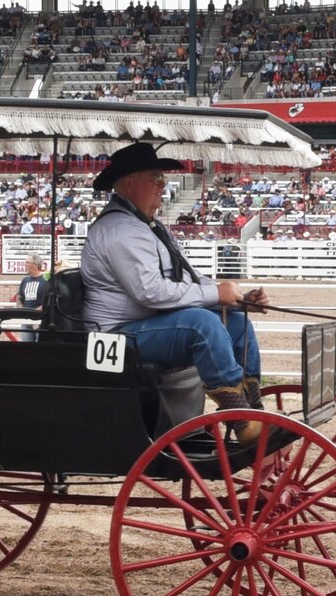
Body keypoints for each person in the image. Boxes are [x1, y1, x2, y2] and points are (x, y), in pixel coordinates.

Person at [81, 143, 270, 444]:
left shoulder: (148, 227)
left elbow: (185, 277)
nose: (163, 185)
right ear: (130, 183)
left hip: (146, 325)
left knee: (236, 324)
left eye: (162, 178)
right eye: (155, 178)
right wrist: (215, 294)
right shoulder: (119, 230)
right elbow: (150, 292)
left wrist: (237, 297)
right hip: (115, 334)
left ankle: (253, 405)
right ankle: (241, 418)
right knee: (202, 324)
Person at [15, 252, 48, 341]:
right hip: (26, 321)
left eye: (27, 262)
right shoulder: (25, 280)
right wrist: (22, 311)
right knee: (26, 347)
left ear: (35, 265)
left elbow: (48, 300)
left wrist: (35, 312)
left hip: (40, 321)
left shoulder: (46, 280)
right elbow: (19, 297)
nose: (25, 265)